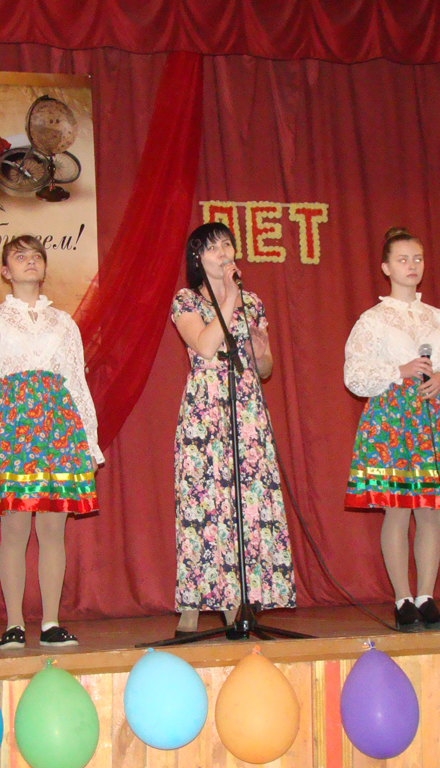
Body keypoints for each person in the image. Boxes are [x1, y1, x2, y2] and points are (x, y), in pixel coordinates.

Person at [0, 235, 102, 650]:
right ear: (5, 271)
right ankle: (13, 623)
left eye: (37, 256)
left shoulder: (63, 323)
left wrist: (89, 441)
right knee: (14, 528)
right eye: (19, 256)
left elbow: (76, 383)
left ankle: (51, 622)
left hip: (59, 430)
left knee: (53, 530)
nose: (30, 262)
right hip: (13, 430)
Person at [170, 222, 295, 636]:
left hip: (246, 409)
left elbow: (265, 368)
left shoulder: (253, 302)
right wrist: (228, 297)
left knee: (246, 505)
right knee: (204, 506)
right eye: (213, 247)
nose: (223, 251)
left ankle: (240, 600)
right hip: (206, 411)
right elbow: (206, 346)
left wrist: (261, 352)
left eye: (227, 244)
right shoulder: (186, 300)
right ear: (197, 257)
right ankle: (194, 606)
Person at [344, 227, 440, 632]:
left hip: (432, 415)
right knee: (397, 508)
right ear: (386, 267)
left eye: (417, 259)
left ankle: (426, 596)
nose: (412, 266)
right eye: (402, 259)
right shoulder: (373, 320)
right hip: (392, 418)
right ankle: (402, 599)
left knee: (430, 509)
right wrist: (401, 370)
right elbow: (354, 375)